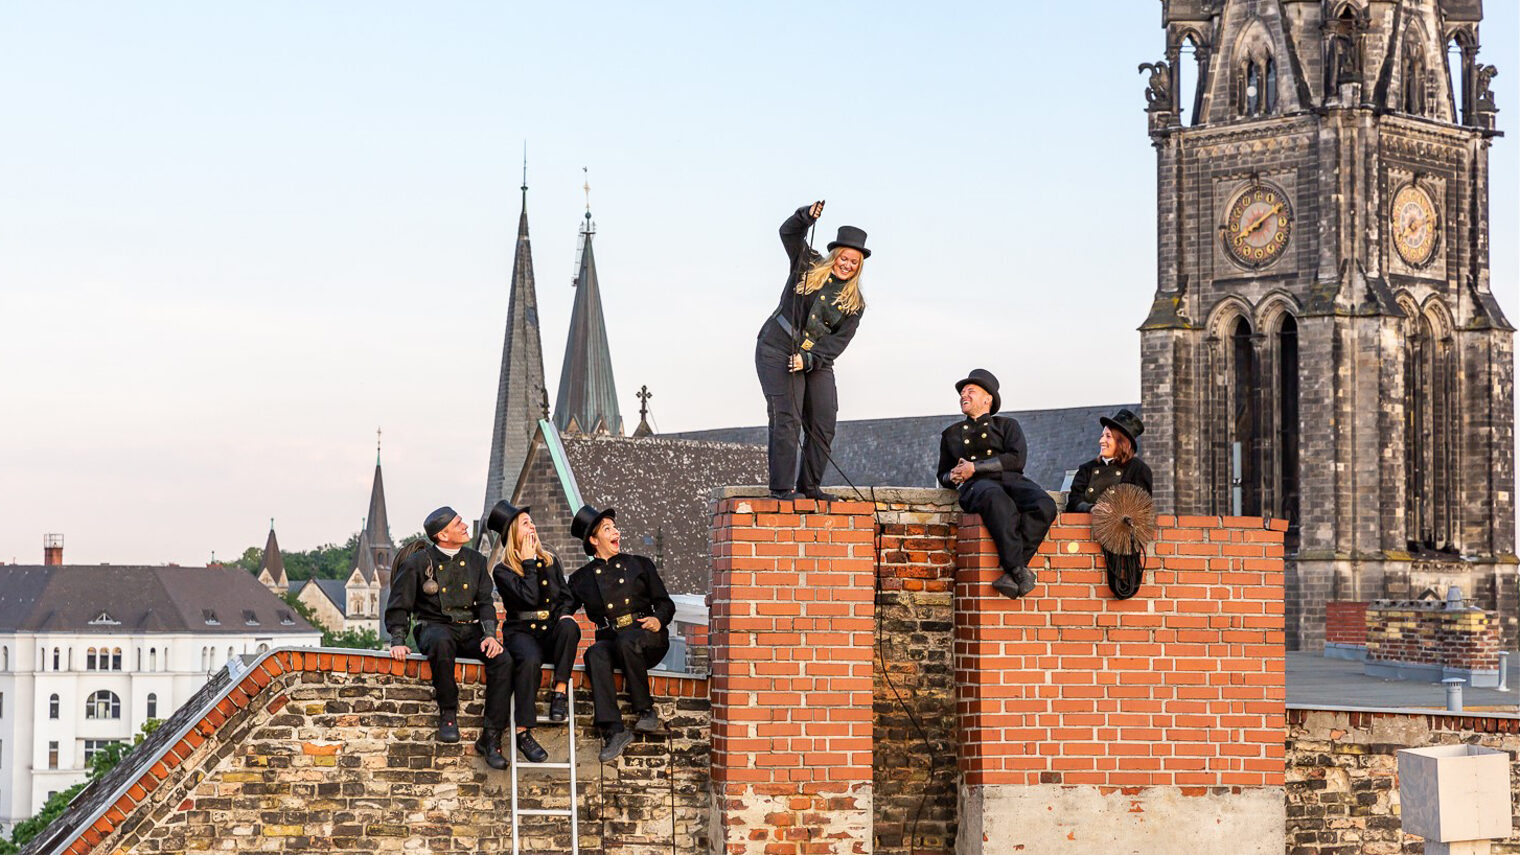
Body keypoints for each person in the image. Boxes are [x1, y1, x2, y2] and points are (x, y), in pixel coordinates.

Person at [755, 199, 869, 501]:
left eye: (853, 262)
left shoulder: (854, 304)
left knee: (823, 420)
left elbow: (835, 344)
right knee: (787, 418)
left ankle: (810, 486)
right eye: (844, 258)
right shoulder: (808, 264)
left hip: (815, 358)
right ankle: (781, 489)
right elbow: (788, 233)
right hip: (776, 347)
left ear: (859, 267)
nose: (847, 265)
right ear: (835, 255)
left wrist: (807, 359)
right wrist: (805, 217)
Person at [385, 507, 511, 770]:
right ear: (442, 534)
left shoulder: (476, 561)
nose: (465, 526)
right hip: (435, 626)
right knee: (442, 644)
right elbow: (400, 604)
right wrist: (398, 640)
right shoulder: (419, 563)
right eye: (458, 523)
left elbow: (486, 603)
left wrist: (490, 636)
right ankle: (448, 714)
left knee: (503, 660)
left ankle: (491, 736)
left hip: (469, 628)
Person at [565, 504, 676, 762]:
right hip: (611, 640)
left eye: (614, 527)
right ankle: (614, 729)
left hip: (647, 636)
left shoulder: (639, 565)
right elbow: (564, 611)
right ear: (593, 540)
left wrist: (659, 620)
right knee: (594, 654)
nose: (616, 531)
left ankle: (646, 711)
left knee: (628, 640)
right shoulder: (581, 579)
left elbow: (665, 603)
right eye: (607, 529)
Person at [936, 369, 1058, 600]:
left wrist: (976, 466)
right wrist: (952, 476)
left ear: (987, 399)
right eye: (962, 392)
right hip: (976, 487)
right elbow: (942, 475)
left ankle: (1013, 572)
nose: (964, 395)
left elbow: (1016, 460)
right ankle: (1018, 570)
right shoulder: (951, 434)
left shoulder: (1007, 425)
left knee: (1045, 504)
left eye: (970, 391)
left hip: (1010, 479)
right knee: (997, 500)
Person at [486, 500, 581, 764]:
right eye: (526, 523)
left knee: (570, 626)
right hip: (521, 631)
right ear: (513, 533)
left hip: (549, 629)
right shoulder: (503, 571)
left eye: (532, 522)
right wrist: (528, 562)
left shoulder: (549, 561)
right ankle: (522, 732)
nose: (533, 527)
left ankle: (559, 692)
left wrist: (563, 613)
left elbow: (566, 596)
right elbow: (528, 597)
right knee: (528, 661)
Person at [1064, 409, 1153, 513]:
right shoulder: (1087, 469)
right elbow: (1073, 502)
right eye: (1102, 436)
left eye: (1108, 436)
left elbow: (1142, 507)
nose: (1101, 441)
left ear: (1122, 442)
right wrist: (1091, 508)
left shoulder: (1138, 469)